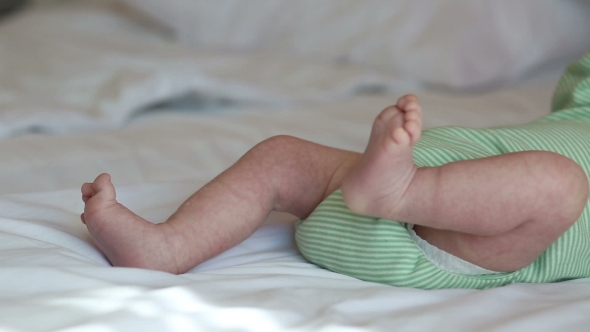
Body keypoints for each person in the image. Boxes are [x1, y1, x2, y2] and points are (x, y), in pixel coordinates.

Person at [80, 50, 590, 290]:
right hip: (391, 185)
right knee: (280, 155)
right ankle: (167, 247)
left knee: (559, 184)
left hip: (465, 243)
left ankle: (400, 191)